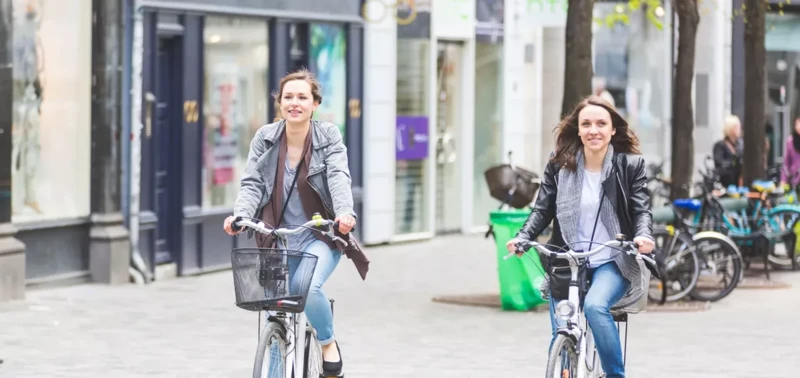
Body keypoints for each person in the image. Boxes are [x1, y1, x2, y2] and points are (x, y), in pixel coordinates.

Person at [223, 69, 369, 377]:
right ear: (279, 103)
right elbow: (252, 184)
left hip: (318, 234)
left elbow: (338, 177)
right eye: (288, 97)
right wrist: (240, 215)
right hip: (277, 236)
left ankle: (327, 341)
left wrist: (344, 213)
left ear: (315, 103)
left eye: (302, 97)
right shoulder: (265, 138)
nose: (294, 103)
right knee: (276, 309)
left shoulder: (328, 136)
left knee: (307, 287)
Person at [505, 95, 655, 378]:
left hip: (612, 259)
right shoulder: (559, 166)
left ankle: (614, 375)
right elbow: (542, 209)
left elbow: (641, 210)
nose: (593, 130)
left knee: (596, 307)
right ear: (578, 130)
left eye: (601, 123)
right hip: (568, 259)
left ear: (613, 129)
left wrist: (643, 236)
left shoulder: (629, 165)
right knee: (562, 329)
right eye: (586, 124)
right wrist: (523, 236)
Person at [713, 115, 744, 187]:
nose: (739, 129)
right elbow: (719, 164)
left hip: (739, 182)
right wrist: (733, 161)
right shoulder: (720, 145)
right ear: (730, 128)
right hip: (725, 183)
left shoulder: (740, 144)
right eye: (737, 127)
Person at [781, 116, 800, 188]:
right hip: (794, 180)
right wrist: (783, 180)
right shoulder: (790, 141)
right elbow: (786, 163)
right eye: (797, 124)